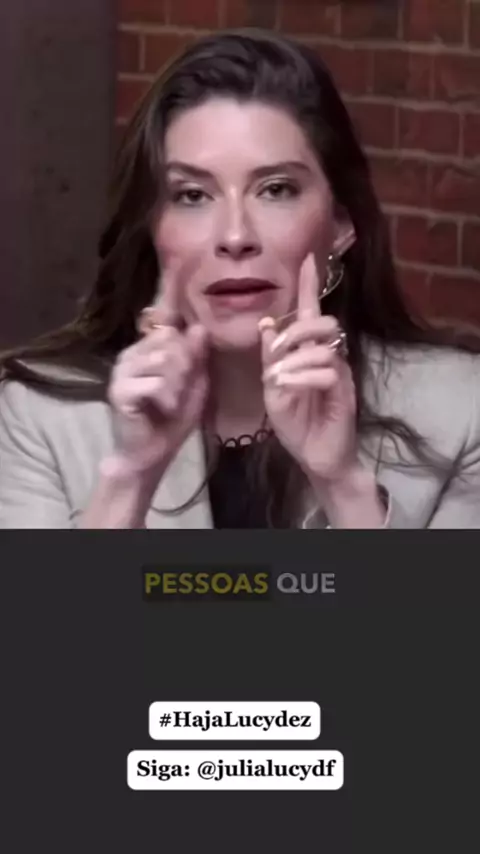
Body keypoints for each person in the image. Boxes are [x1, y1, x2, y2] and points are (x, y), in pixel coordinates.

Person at [0, 29, 479, 529]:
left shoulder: (461, 413)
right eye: (192, 195)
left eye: (276, 190)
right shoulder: (39, 415)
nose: (234, 236)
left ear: (341, 223)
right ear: (151, 229)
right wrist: (129, 480)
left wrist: (343, 485)